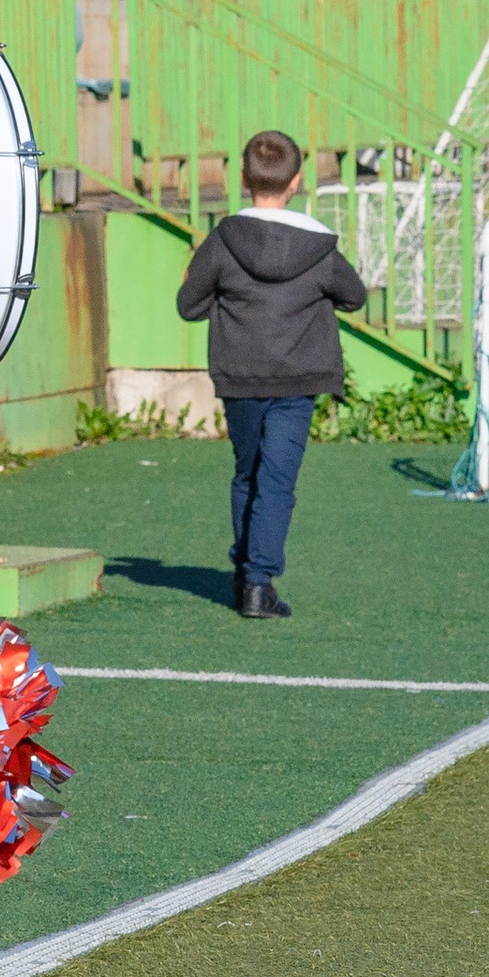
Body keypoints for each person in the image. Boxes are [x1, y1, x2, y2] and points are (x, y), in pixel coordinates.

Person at [175, 129, 366, 621]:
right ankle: (258, 583)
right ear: (297, 181)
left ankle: (246, 576)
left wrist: (213, 291)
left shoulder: (221, 242)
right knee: (277, 481)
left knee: (248, 474)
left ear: (242, 178)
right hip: (298, 380)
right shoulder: (319, 247)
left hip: (240, 377)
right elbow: (355, 296)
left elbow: (189, 306)